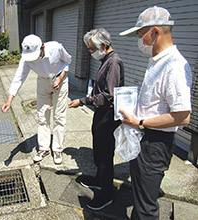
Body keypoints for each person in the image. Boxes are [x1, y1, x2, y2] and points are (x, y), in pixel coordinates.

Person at [119, 6, 192, 220]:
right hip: (144, 138)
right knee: (140, 196)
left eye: (141, 35)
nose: (139, 40)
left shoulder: (175, 66)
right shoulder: (158, 60)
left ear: (156, 32)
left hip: (154, 143)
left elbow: (182, 116)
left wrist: (140, 121)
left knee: (145, 208)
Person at [69, 28, 124, 211]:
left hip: (107, 116)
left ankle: (107, 193)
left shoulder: (114, 62)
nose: (91, 52)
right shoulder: (105, 60)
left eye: (92, 48)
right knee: (99, 151)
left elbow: (109, 95)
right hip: (101, 114)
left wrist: (83, 101)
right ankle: (99, 181)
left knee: (105, 155)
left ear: (103, 45)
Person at [1, 34, 71, 165]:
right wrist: (9, 101)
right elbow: (18, 78)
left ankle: (57, 149)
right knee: (42, 116)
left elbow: (67, 61)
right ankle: (43, 149)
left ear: (42, 47)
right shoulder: (27, 58)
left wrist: (60, 79)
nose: (34, 59)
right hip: (43, 82)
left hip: (60, 80)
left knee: (59, 116)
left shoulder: (56, 47)